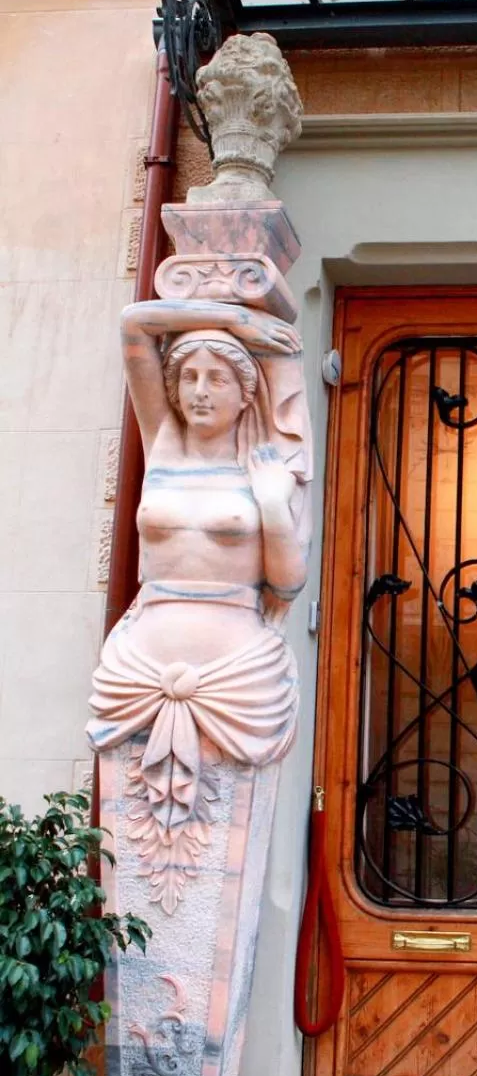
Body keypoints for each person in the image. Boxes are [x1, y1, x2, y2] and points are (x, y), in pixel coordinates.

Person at [87, 301, 312, 901]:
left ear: (247, 394)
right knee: (142, 855)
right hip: (137, 669)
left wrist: (270, 504)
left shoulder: (264, 465)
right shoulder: (163, 441)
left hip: (237, 678)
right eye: (188, 376)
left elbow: (288, 584)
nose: (199, 391)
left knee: (207, 871)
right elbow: (135, 322)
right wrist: (233, 321)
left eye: (218, 379)